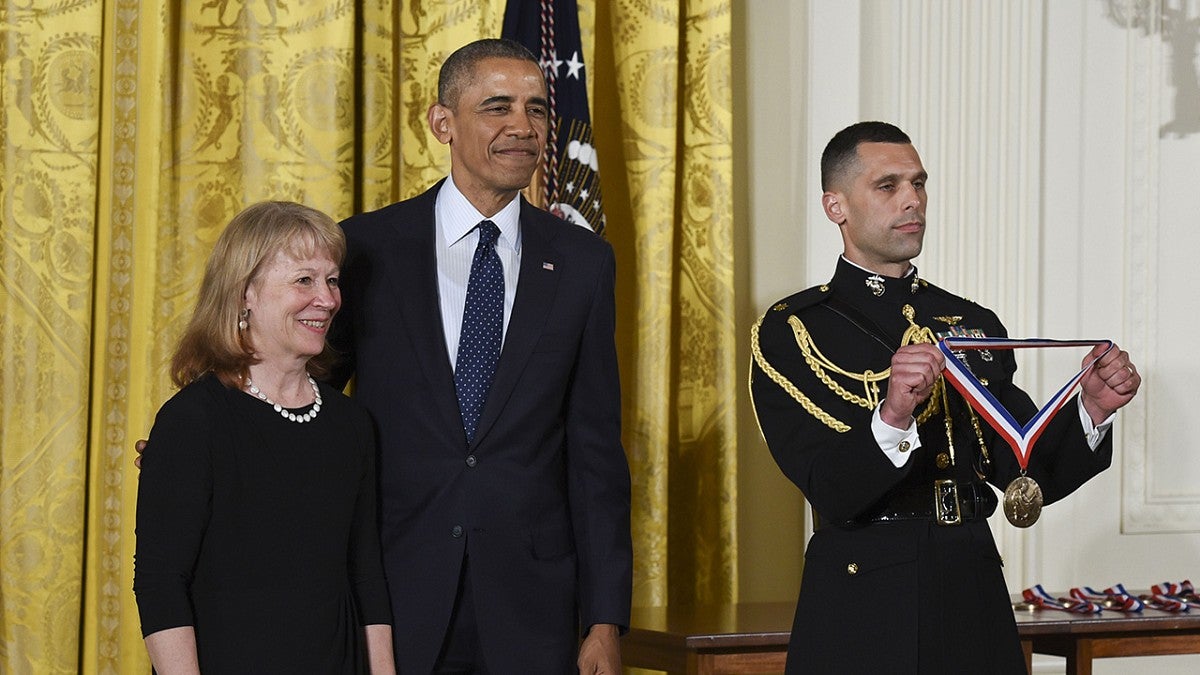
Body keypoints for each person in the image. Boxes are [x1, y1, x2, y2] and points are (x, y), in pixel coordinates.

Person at [748, 121, 1141, 673]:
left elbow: (1023, 471)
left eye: (919, 183)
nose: (913, 200)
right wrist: (893, 413)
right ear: (835, 206)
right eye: (888, 186)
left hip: (971, 581)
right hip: (865, 593)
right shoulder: (795, 330)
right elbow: (829, 488)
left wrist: (1092, 409)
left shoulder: (973, 323)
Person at [328, 39, 632, 673]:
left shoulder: (581, 262)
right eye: (498, 107)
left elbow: (596, 453)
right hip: (394, 592)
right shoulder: (366, 247)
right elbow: (312, 394)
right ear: (444, 123)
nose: (523, 127)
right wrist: (219, 432)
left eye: (538, 109)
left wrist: (605, 620)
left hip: (533, 606)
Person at [133, 202, 395, 674]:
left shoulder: (351, 424)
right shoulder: (192, 421)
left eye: (332, 280)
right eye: (304, 280)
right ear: (245, 292)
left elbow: (367, 577)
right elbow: (160, 585)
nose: (328, 299)